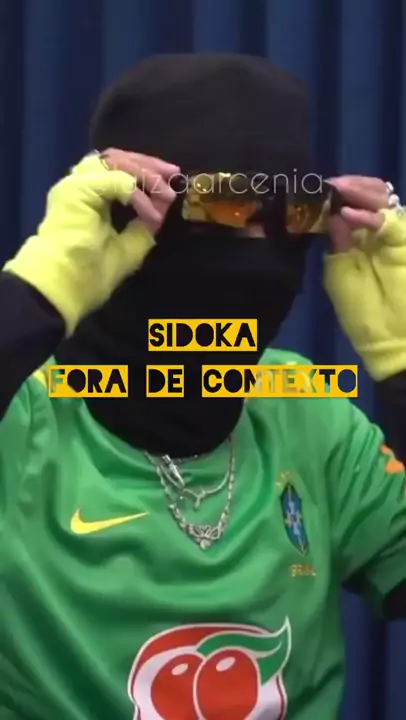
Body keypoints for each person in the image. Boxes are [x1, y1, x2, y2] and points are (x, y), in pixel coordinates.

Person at [1, 53, 406, 720]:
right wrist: (41, 289)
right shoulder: (24, 415)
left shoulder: (310, 415)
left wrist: (403, 364)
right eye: (221, 205)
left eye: (295, 214)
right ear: (124, 211)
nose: (259, 250)